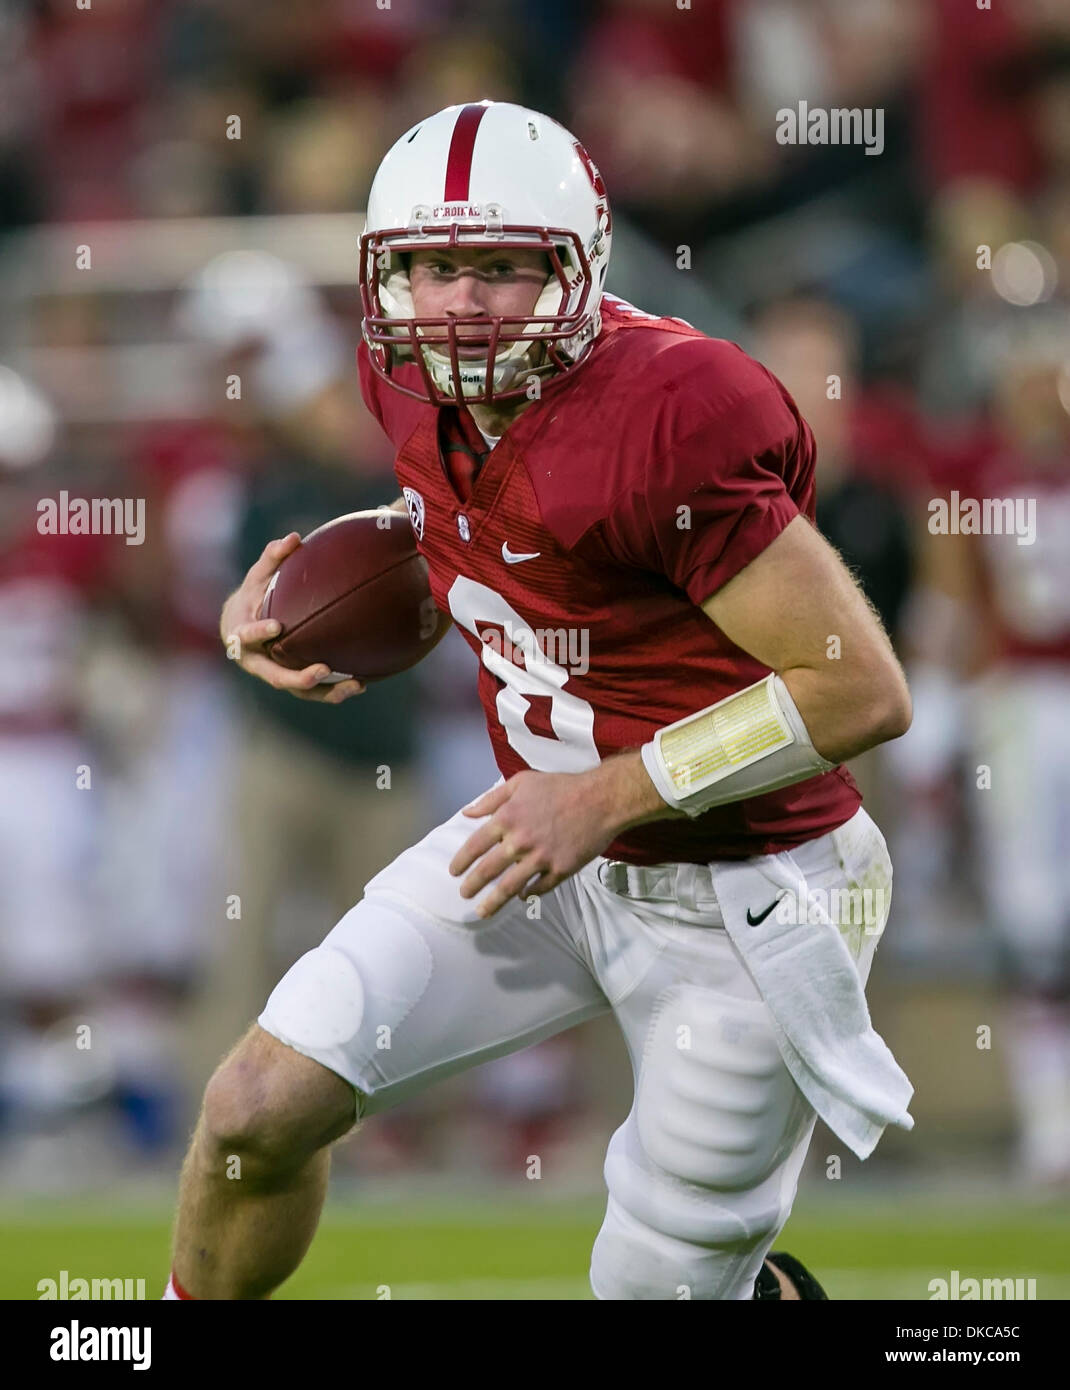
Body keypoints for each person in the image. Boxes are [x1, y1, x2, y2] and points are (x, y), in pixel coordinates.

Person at [166, 101, 914, 1301]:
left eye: (503, 269)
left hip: (743, 885)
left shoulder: (672, 412)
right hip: (536, 847)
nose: (459, 304)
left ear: (576, 265)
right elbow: (487, 539)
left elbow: (857, 687)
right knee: (256, 1107)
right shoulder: (402, 379)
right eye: (431, 267)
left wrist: (609, 794)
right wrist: (303, 613)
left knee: (653, 1289)